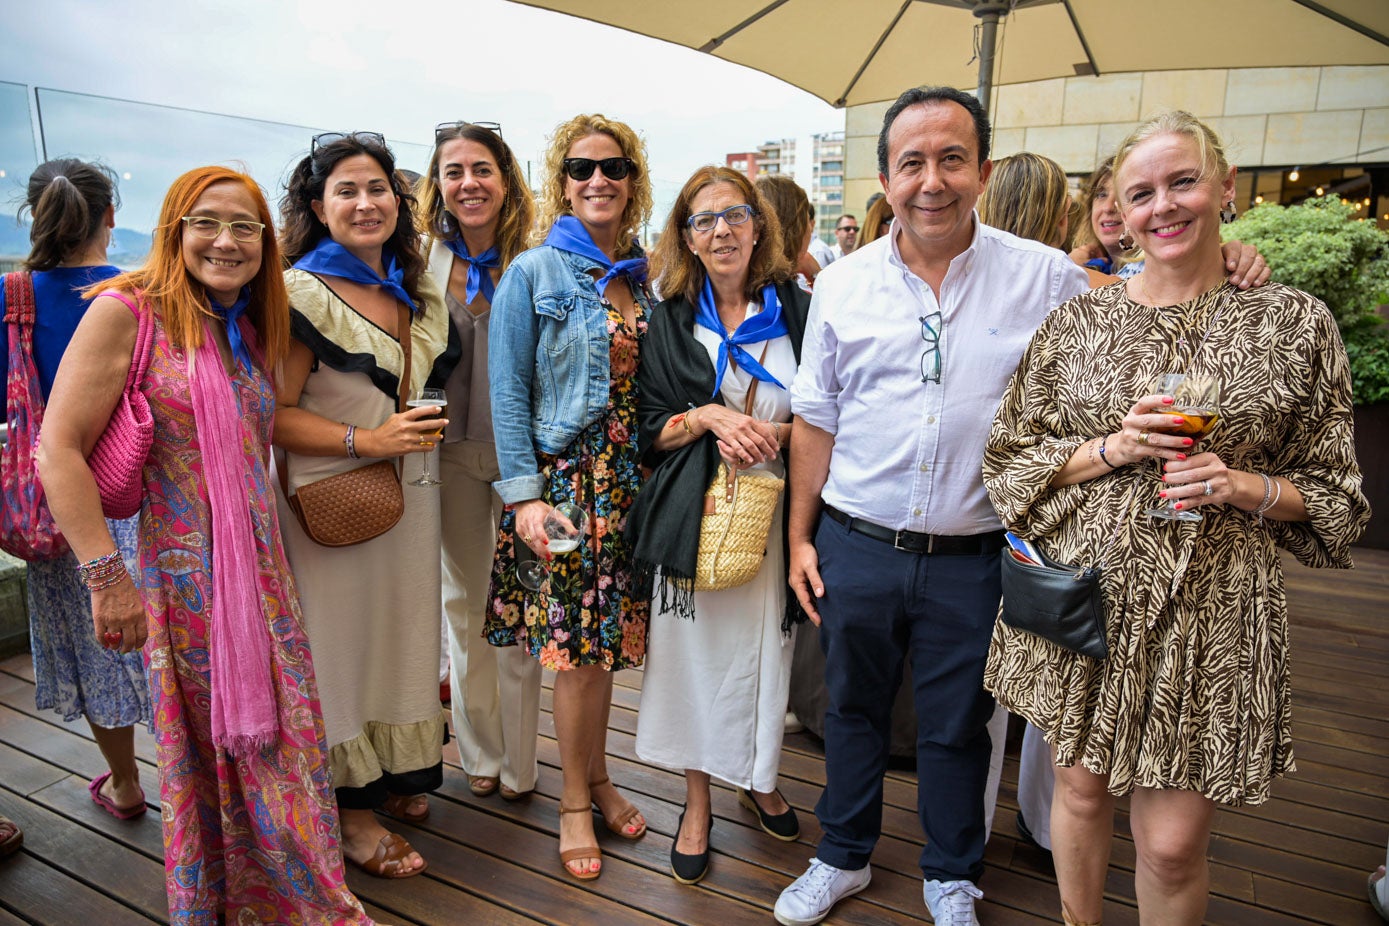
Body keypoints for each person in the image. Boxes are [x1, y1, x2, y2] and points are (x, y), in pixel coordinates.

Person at [982, 112, 1368, 926]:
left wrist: (1242, 487)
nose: (1163, 205)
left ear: (1224, 188)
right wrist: (1113, 446)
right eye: (1140, 192)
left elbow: (1337, 499)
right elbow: (1008, 460)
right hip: (1083, 599)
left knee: (1167, 844)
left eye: (1182, 181)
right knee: (1079, 796)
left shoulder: (1293, 325)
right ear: (1116, 214)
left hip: (1214, 613)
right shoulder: (1076, 322)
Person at [773, 86, 1091, 926]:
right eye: (911, 162)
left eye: (951, 158)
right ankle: (841, 855)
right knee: (850, 710)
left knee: (959, 725)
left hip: (976, 553)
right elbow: (815, 418)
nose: (931, 180)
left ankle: (951, 875)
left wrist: (1236, 265)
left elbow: (1150, 309)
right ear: (885, 176)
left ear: (981, 170)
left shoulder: (1047, 277)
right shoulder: (841, 282)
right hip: (857, 541)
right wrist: (800, 540)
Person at [36, 165, 371, 923]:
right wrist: (104, 576)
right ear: (174, 230)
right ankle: (246, 900)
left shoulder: (243, 318)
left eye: (245, 227)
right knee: (211, 745)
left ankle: (286, 895)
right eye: (207, 223)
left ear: (266, 241)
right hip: (178, 576)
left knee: (278, 741)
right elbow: (57, 448)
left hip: (259, 572)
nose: (226, 241)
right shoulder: (128, 310)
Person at [275, 132, 455, 879]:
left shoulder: (418, 289)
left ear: (398, 199)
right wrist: (364, 440)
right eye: (345, 190)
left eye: (377, 187)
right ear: (318, 207)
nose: (364, 202)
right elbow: (272, 412)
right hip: (331, 501)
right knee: (341, 651)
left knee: (403, 636)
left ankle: (393, 773)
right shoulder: (296, 293)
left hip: (413, 498)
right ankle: (349, 812)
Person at [629, 165, 810, 885]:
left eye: (735, 215)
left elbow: (831, 415)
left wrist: (779, 433)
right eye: (704, 221)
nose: (721, 230)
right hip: (695, 514)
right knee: (695, 662)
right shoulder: (670, 316)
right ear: (687, 239)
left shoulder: (800, 307)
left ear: (758, 225)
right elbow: (648, 429)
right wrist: (705, 417)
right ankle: (698, 800)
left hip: (775, 513)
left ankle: (758, 775)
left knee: (767, 657)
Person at [486, 113, 655, 881]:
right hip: (568, 486)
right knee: (578, 656)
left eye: (613, 168)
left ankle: (599, 776)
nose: (598, 181)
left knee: (610, 650)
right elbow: (506, 394)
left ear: (632, 181)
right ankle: (574, 805)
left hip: (634, 485)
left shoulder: (645, 275)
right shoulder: (533, 272)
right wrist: (523, 499)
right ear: (561, 182)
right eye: (582, 168)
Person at [2, 159, 151, 821]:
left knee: (101, 652)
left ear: (32, 215)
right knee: (173, 651)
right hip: (143, 493)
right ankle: (195, 781)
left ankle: (125, 783)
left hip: (59, 506)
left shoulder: (12, 299)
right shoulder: (141, 293)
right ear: (111, 217)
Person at [416, 120, 543, 802]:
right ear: (438, 185)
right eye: (454, 171)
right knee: (464, 608)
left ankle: (522, 763)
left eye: (481, 169)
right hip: (450, 457)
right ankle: (481, 753)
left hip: (536, 468)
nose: (468, 183)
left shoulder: (542, 254)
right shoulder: (417, 263)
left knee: (527, 607)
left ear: (505, 178)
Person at [1069, 158, 1141, 278]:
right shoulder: (1091, 265)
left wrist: (1069, 272)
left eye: (1121, 196)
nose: (1108, 208)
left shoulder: (1148, 272)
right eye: (1101, 195)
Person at [755, 174, 819, 291]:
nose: (810, 228)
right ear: (796, 229)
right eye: (807, 218)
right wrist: (817, 276)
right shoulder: (794, 300)